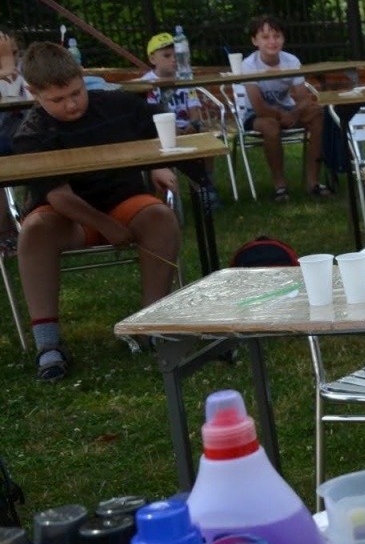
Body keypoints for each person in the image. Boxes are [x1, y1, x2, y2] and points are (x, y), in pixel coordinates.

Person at [12, 43, 187, 382]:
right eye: (58, 100)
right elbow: (60, 198)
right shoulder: (31, 134)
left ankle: (149, 324)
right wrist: (106, 226)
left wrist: (159, 165)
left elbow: (155, 135)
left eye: (76, 93)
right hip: (68, 218)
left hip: (124, 203)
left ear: (83, 77)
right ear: (33, 94)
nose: (71, 104)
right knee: (33, 231)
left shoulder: (121, 105)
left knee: (160, 218)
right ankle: (48, 344)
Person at [238, 14, 329, 201]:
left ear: (283, 38)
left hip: (288, 111)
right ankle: (279, 185)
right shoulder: (248, 65)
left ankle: (312, 181)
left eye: (277, 36)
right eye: (265, 37)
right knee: (270, 125)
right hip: (256, 115)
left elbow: (304, 98)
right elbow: (258, 106)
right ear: (255, 41)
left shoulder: (291, 61)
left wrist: (294, 112)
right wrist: (282, 115)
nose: (272, 41)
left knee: (318, 115)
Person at [140, 33, 221, 212]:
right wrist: (174, 129)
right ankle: (197, 185)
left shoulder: (184, 78)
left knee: (206, 140)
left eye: (177, 55)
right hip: (160, 132)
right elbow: (153, 115)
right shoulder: (147, 84)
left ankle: (205, 183)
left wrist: (194, 123)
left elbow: (193, 108)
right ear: (152, 58)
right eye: (167, 56)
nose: (174, 60)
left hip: (186, 129)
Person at [0, 31, 26, 253]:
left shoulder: (28, 71)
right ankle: (4, 233)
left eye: (13, 53)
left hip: (29, 139)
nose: (11, 59)